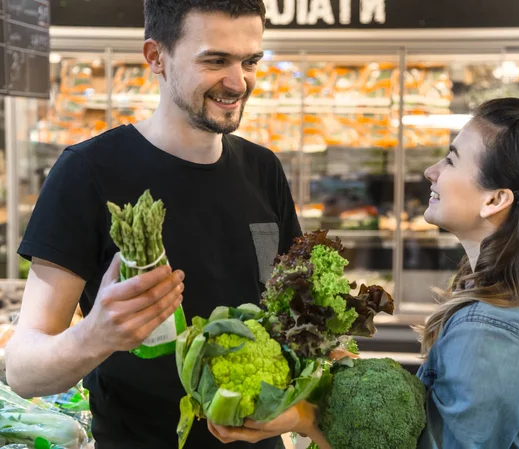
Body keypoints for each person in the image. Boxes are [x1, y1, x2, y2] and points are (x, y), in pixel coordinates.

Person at [207, 98, 519, 448]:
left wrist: (308, 416)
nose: (430, 171)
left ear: (495, 200)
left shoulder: (493, 332)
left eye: (452, 161)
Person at [5, 1, 301, 448]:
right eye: (215, 60)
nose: (238, 82)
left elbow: (292, 313)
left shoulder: (264, 169)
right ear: (155, 57)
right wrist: (96, 334)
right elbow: (23, 370)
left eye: (250, 61)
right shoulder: (88, 171)